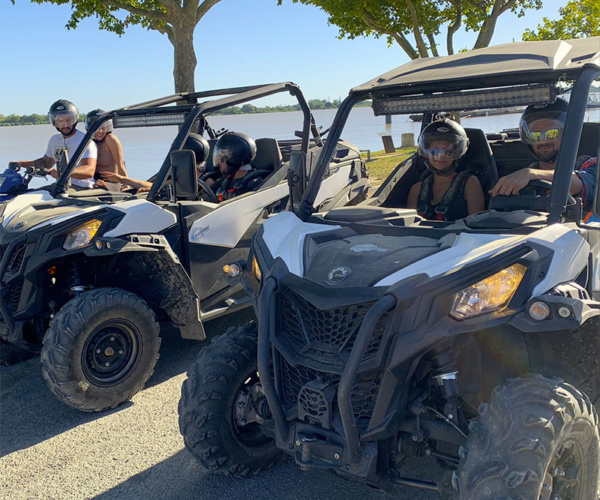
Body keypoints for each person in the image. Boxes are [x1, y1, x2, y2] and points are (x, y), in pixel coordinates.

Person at [489, 98, 597, 221]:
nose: (543, 140)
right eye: (535, 135)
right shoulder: (522, 177)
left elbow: (578, 184)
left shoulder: (590, 164)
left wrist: (532, 174)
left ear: (568, 134)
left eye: (552, 133)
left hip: (583, 237)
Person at [406, 119, 485, 221]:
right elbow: (409, 225)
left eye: (447, 151)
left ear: (456, 153)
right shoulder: (416, 190)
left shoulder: (469, 184)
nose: (440, 156)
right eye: (434, 151)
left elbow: (476, 224)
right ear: (427, 152)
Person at [9, 100, 97, 190]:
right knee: (27, 195)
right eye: (60, 120)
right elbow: (46, 163)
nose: (65, 124)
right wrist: (21, 164)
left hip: (81, 187)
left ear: (74, 119)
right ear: (54, 121)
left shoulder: (85, 141)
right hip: (60, 186)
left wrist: (63, 173)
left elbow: (89, 171)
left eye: (68, 120)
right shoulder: (55, 140)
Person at [101, 133, 210, 192]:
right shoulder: (179, 177)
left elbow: (155, 188)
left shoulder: (207, 181)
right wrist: (121, 179)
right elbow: (154, 186)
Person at [85, 109, 128, 190]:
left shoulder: (110, 139)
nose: (100, 131)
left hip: (111, 181)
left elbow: (120, 164)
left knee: (99, 190)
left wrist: (126, 186)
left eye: (103, 128)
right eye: (97, 128)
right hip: (94, 181)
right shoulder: (88, 142)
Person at [211, 132, 260, 202]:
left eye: (222, 158)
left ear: (234, 160)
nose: (219, 162)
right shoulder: (222, 183)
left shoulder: (254, 185)